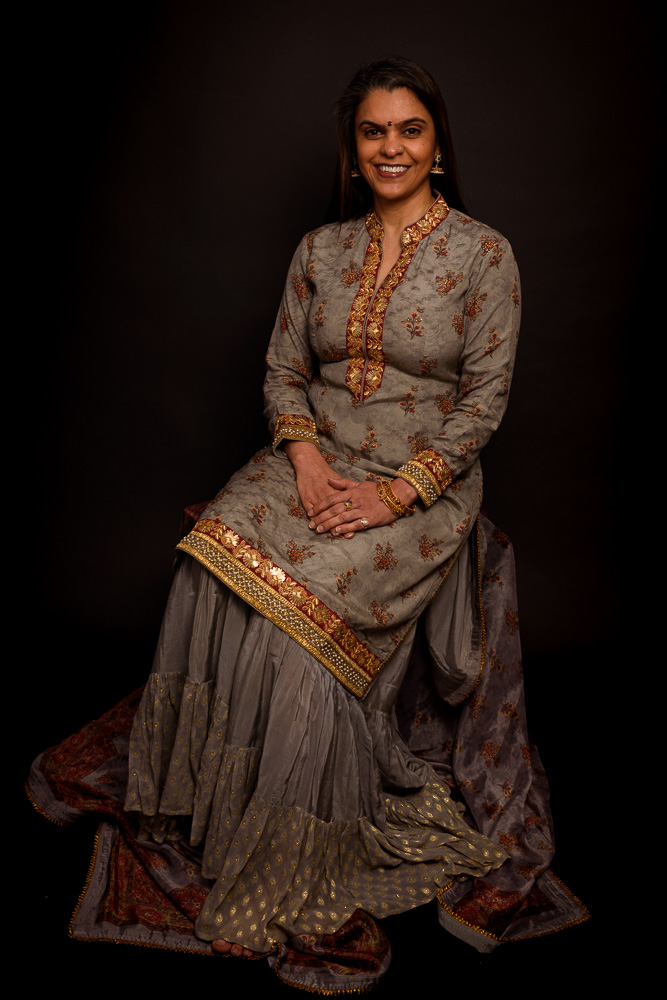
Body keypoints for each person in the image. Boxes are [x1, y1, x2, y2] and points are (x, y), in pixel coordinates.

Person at [28, 57, 587, 992]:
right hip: (313, 461)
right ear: (353, 146)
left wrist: (392, 496)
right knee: (206, 559)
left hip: (418, 484)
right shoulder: (319, 251)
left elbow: (481, 406)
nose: (390, 148)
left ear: (437, 146)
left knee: (303, 617)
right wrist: (305, 458)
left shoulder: (484, 255)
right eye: (373, 131)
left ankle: (282, 862)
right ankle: (209, 808)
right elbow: (284, 371)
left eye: (408, 130)